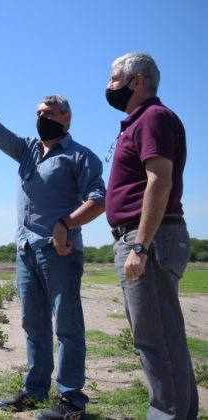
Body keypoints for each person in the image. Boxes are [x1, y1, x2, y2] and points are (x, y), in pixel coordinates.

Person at [0, 84, 106, 419]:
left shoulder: (80, 156)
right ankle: (35, 391)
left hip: (59, 252)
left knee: (66, 325)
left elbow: (98, 200)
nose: (41, 118)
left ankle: (71, 398)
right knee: (33, 324)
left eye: (48, 113)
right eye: (37, 114)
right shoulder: (29, 151)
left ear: (66, 117)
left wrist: (67, 224)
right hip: (25, 251)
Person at [104, 52, 198, 419]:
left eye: (114, 79)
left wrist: (140, 245)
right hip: (147, 239)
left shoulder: (153, 118)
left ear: (136, 81)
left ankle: (167, 413)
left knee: (155, 341)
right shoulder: (139, 122)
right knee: (164, 340)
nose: (109, 86)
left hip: (150, 240)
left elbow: (159, 181)